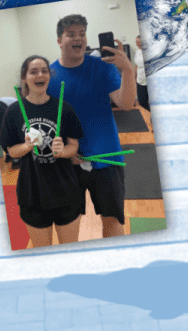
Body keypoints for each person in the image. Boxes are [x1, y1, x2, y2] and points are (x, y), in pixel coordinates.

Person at [48, 15, 137, 238]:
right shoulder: (48, 75)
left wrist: (127, 70)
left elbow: (126, 104)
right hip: (69, 161)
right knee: (67, 225)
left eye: (82, 34)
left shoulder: (102, 68)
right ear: (59, 40)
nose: (78, 38)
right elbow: (45, 122)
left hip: (107, 157)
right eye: (71, 34)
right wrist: (65, 153)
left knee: (113, 221)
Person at [0, 55, 85, 248]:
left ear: (49, 75)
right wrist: (27, 146)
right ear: (24, 78)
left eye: (44, 71)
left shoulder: (64, 108)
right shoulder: (13, 112)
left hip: (66, 190)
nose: (40, 75)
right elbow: (12, 151)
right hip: (32, 193)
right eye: (33, 71)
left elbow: (74, 146)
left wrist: (63, 151)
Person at [134, 34, 150, 112]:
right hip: (140, 80)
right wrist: (134, 78)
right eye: (136, 42)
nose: (137, 44)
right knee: (142, 102)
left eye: (138, 42)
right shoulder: (137, 52)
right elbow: (136, 65)